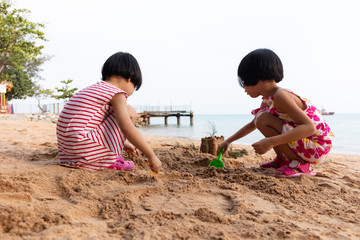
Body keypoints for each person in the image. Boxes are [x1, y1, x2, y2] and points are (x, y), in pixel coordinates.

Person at [218, 48, 334, 177]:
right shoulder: (268, 99)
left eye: (244, 82)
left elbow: (309, 127)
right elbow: (253, 124)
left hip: (317, 147)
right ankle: (284, 160)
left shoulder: (281, 96)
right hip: (306, 144)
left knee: (263, 119)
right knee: (261, 118)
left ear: (257, 77)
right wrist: (228, 141)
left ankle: (300, 164)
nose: (244, 88)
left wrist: (271, 142)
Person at [56, 52, 162, 172]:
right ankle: (108, 161)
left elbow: (87, 124)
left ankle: (105, 155)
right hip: (84, 150)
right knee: (129, 111)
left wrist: (122, 143)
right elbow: (126, 128)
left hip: (68, 155)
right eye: (134, 87)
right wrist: (151, 155)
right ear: (129, 78)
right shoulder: (116, 93)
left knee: (117, 113)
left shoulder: (92, 89)